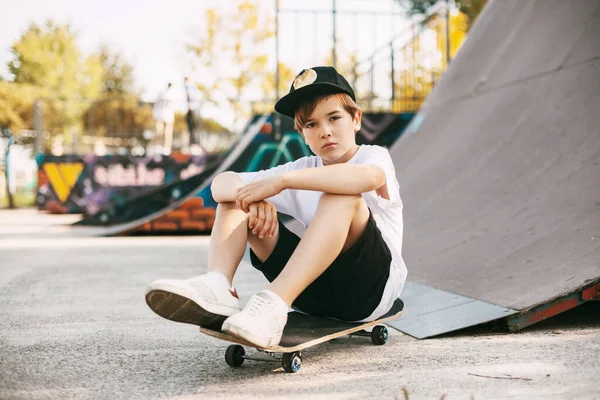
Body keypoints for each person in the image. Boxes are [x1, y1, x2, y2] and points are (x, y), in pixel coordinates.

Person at [145, 66, 407, 349]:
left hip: (369, 291)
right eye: (311, 125)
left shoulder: (372, 156)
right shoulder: (304, 166)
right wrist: (255, 199)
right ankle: (219, 286)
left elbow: (367, 178)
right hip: (312, 293)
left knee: (341, 193)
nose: (325, 131)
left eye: (334, 118)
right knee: (239, 198)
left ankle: (272, 304)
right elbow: (221, 185)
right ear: (302, 134)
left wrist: (280, 182)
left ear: (355, 119)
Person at [152, 83, 175, 155]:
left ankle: (166, 148)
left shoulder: (172, 94)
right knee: (159, 132)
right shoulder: (160, 94)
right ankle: (158, 147)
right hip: (160, 116)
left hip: (168, 116)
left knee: (167, 133)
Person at [183, 77, 203, 155]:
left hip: (193, 109)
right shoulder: (192, 87)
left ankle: (195, 145)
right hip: (192, 109)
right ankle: (194, 144)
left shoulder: (190, 87)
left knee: (193, 128)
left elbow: (191, 97)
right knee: (192, 129)